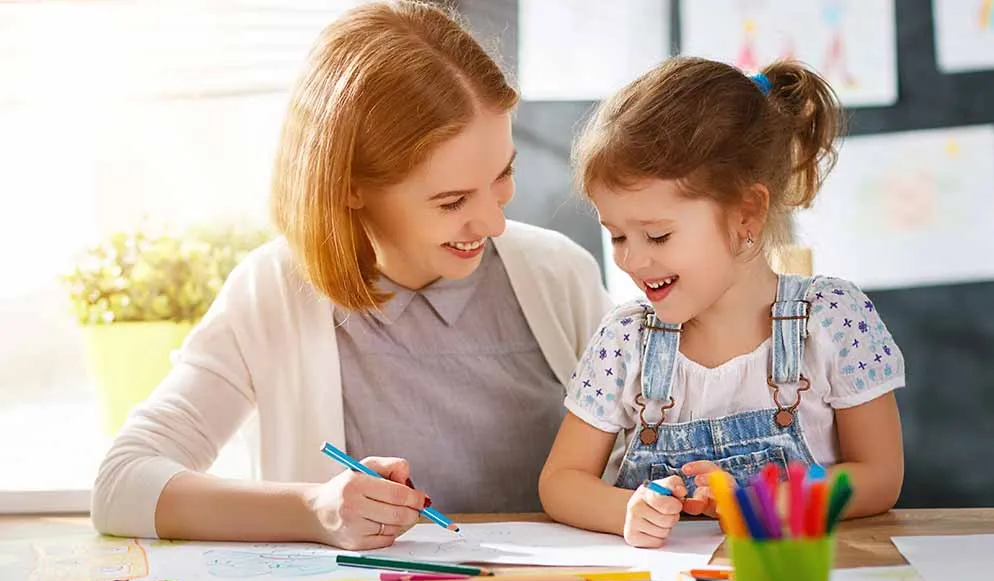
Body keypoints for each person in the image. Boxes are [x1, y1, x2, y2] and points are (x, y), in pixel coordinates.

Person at [91, 0, 611, 550]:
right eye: (452, 200)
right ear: (350, 187)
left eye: (503, 175)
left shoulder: (560, 279)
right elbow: (121, 483)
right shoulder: (273, 294)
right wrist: (314, 510)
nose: (494, 221)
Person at [539, 58, 905, 548]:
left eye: (658, 235)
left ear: (745, 213)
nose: (631, 259)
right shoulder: (625, 340)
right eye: (617, 235)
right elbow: (560, 481)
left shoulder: (832, 319)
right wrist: (625, 509)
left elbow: (880, 475)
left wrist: (766, 505)